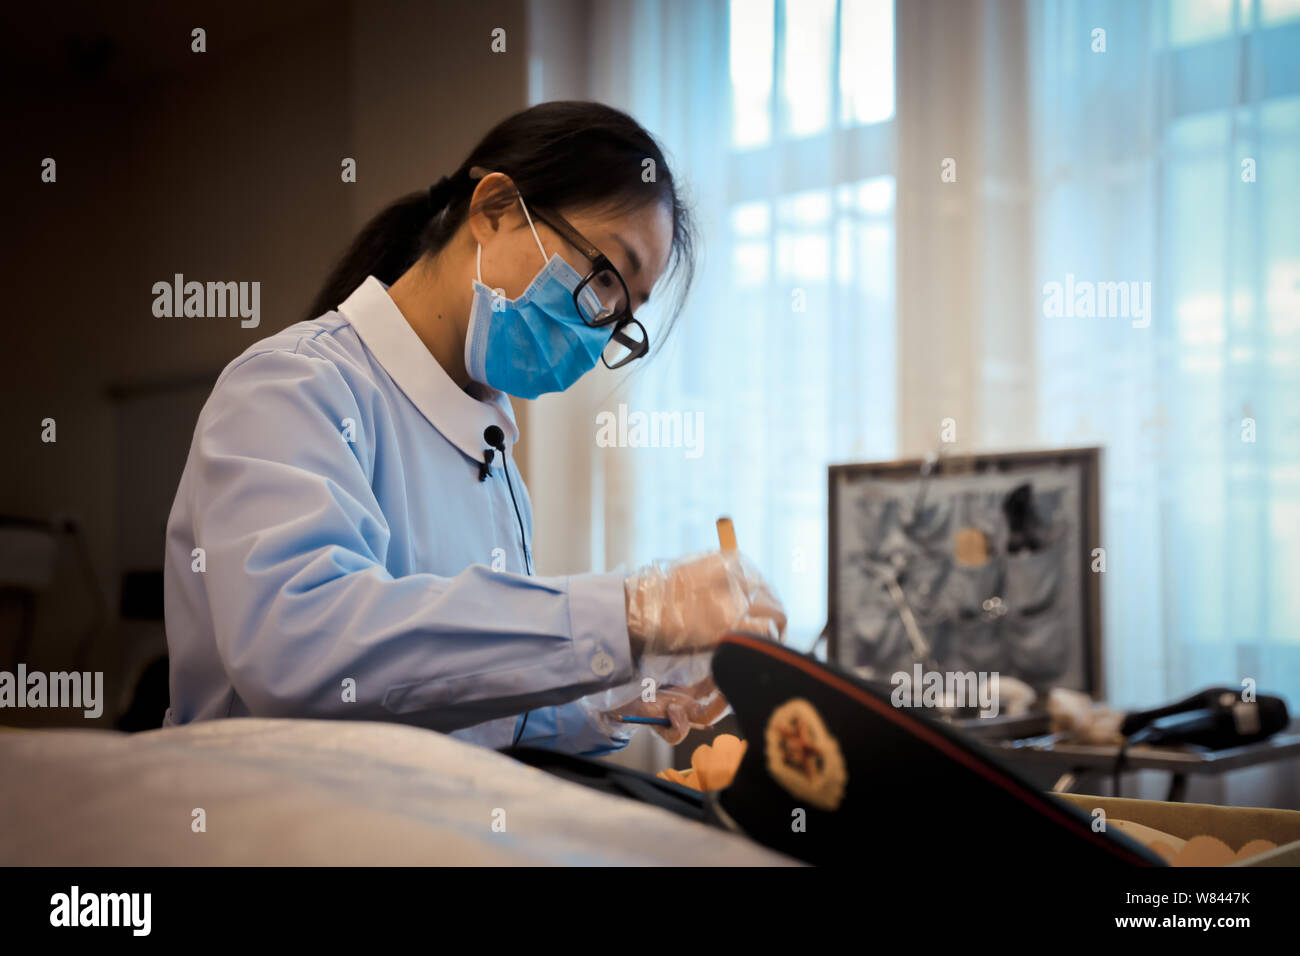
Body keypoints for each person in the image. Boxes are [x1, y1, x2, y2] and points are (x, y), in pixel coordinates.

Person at [162, 101, 786, 755]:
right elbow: (303, 653)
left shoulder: (493, 455)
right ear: (494, 209)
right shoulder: (291, 386)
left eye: (621, 317)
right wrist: (629, 612)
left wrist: (624, 696)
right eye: (605, 277)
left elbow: (454, 695)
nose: (599, 324)